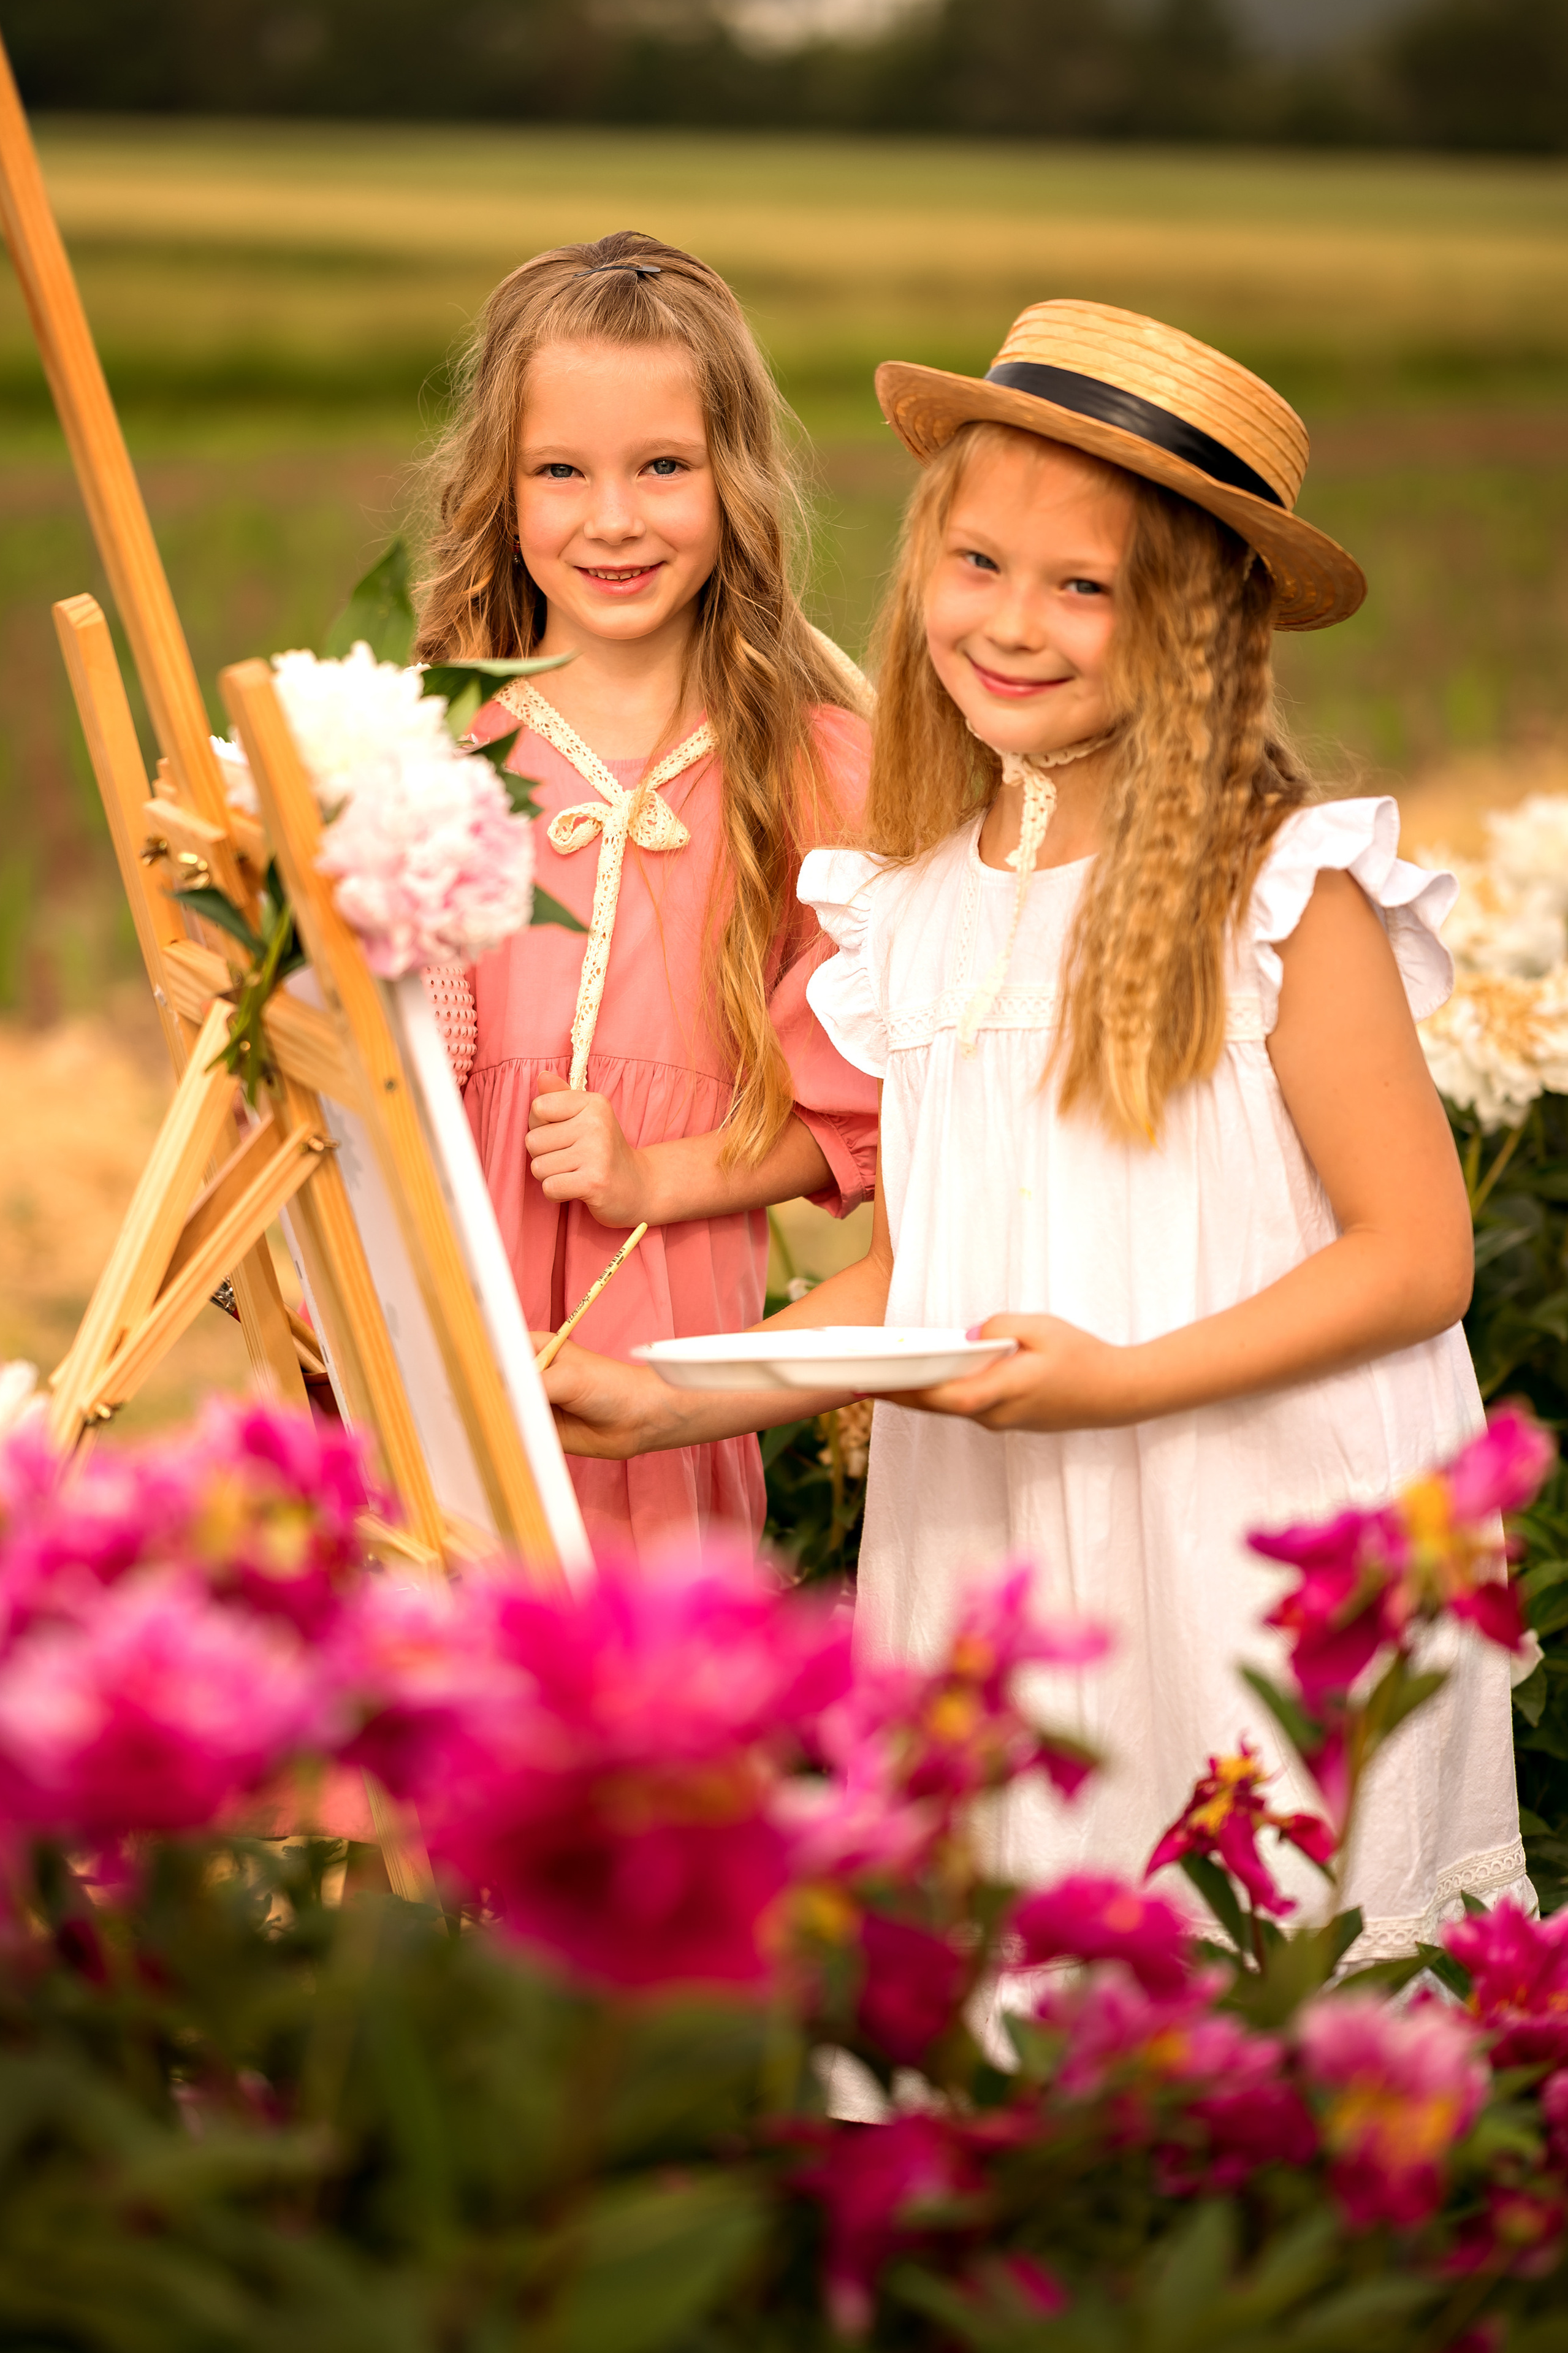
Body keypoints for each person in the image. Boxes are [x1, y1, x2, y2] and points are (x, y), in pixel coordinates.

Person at [544, 299, 1529, 1960]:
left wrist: (1121, 1381)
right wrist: (680, 1388)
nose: (1016, 624)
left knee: (1254, 1958)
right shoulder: (920, 908)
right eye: (980, 565)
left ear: (1201, 628)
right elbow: (932, 1272)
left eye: (1088, 588)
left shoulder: (1281, 892)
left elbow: (1420, 1260)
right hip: (1001, 1543)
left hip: (1248, 1526)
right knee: (1013, 1965)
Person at [416, 229, 879, 1557]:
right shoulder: (431, 753)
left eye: (662, 468)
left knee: (635, 1710)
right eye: (560, 471)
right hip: (444, 1327)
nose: (611, 518)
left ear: (734, 481)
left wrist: (653, 1177)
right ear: (497, 493)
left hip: (656, 1355)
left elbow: (851, 1117)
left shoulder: (815, 770)